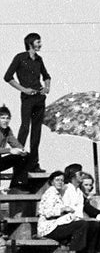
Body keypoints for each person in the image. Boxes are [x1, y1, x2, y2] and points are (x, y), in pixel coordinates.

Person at [38, 168, 100, 253]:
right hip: (49, 227)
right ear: (51, 182)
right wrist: (63, 209)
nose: (60, 182)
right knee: (82, 224)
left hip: (60, 223)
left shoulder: (65, 192)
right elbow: (47, 212)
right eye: (57, 180)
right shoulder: (52, 192)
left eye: (62, 180)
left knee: (95, 224)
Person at [4, 32, 49, 170]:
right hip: (27, 98)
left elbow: (46, 76)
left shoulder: (39, 59)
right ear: (30, 43)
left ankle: (34, 163)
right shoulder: (20, 57)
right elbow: (7, 77)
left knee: (37, 132)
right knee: (24, 128)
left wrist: (47, 87)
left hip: (39, 98)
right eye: (38, 42)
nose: (40, 44)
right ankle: (19, 161)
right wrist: (23, 89)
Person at [0, 106, 29, 184]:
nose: (5, 121)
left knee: (23, 157)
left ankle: (15, 186)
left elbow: (15, 143)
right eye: (2, 118)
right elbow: (10, 150)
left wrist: (22, 150)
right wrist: (10, 150)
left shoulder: (7, 130)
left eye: (7, 118)